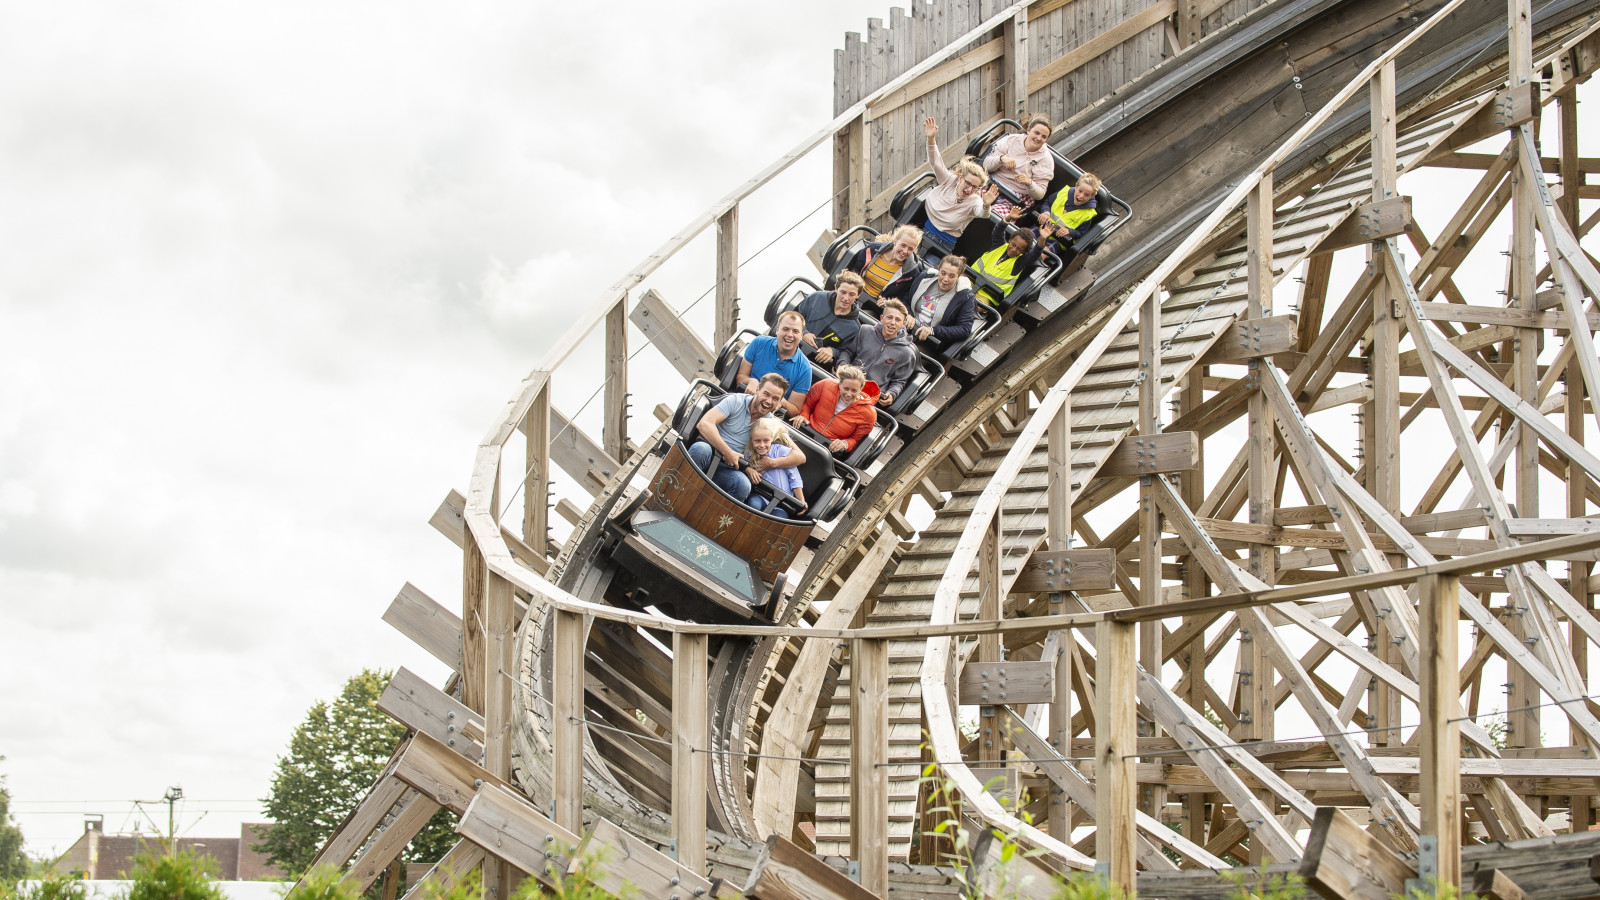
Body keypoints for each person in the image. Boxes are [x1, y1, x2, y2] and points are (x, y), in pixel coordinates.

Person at [688, 374, 803, 502]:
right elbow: (704, 424)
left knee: (743, 485)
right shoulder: (735, 401)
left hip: (729, 468)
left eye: (775, 398)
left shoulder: (770, 424)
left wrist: (771, 463)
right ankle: (679, 492)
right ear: (758, 390)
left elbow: (800, 456)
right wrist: (727, 452)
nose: (769, 401)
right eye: (766, 394)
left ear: (779, 403)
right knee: (701, 449)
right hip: (709, 452)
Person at [921, 116, 999, 250]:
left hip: (943, 244)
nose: (969, 189)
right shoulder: (949, 180)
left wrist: (986, 204)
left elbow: (982, 213)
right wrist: (931, 139)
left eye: (975, 187)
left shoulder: (974, 200)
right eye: (968, 183)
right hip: (924, 232)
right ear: (960, 178)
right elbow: (935, 162)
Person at [839, 299, 916, 409]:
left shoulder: (907, 353)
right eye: (889, 317)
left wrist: (892, 393)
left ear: (903, 324)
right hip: (847, 383)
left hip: (869, 397)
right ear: (882, 318)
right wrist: (843, 365)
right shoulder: (865, 330)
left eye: (897, 320)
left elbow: (899, 381)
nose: (892, 322)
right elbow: (847, 352)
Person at [736, 309, 812, 414]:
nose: (790, 335)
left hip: (769, 415)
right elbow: (740, 377)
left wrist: (781, 401)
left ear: (801, 335)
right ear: (777, 330)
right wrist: (751, 381)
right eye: (785, 329)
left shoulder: (805, 368)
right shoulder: (759, 342)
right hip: (744, 400)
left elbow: (795, 410)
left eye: (795, 331)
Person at [792, 365, 879, 456]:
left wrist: (845, 443)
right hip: (805, 432)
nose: (849, 394)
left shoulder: (869, 414)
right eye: (846, 389)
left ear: (861, 389)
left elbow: (855, 440)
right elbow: (807, 404)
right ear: (840, 384)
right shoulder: (826, 385)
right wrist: (803, 416)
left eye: (854, 391)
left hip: (827, 449)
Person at [972, 214, 1055, 307]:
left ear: (1023, 252)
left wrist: (1042, 239)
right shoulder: (998, 245)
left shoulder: (1019, 263)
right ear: (1010, 240)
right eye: (1013, 244)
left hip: (987, 296)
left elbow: (1035, 254)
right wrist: (1009, 217)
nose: (1014, 249)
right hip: (970, 281)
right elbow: (998, 230)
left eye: (1019, 249)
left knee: (971, 306)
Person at [983, 114, 1055, 218]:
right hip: (993, 183)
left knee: (994, 215)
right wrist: (1001, 159)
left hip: (1015, 196)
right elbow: (986, 165)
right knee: (972, 200)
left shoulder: (1045, 159)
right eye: (1036, 133)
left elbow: (1040, 194)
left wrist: (1029, 183)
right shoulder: (1011, 140)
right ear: (1029, 130)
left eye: (1044, 137)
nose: (1039, 138)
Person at [906, 255, 976, 356]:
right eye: (943, 273)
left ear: (958, 276)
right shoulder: (925, 277)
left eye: (952, 276)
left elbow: (964, 329)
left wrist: (933, 331)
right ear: (939, 270)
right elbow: (906, 296)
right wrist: (907, 313)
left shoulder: (964, 297)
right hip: (906, 327)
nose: (945, 279)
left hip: (929, 341)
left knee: (906, 354)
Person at [794, 272, 864, 370]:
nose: (846, 298)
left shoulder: (855, 328)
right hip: (792, 344)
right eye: (843, 292)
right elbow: (794, 315)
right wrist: (804, 332)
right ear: (836, 288)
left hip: (812, 364)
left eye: (852, 294)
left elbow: (846, 353)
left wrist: (832, 351)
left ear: (858, 295)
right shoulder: (817, 297)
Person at [842, 224, 924, 302]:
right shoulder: (872, 250)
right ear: (895, 242)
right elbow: (855, 271)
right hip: (854, 294)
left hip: (874, 305)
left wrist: (890, 301)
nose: (905, 251)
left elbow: (904, 298)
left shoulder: (911, 273)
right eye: (903, 245)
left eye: (910, 249)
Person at [745, 419, 806, 519]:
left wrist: (801, 500)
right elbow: (744, 465)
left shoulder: (781, 451)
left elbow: (794, 477)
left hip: (781, 504)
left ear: (772, 438)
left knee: (778, 519)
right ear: (751, 439)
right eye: (757, 441)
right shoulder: (749, 454)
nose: (761, 445)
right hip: (761, 496)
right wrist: (749, 470)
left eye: (766, 441)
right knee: (753, 505)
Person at [1038, 173, 1101, 248]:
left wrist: (1069, 231)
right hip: (1043, 228)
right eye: (1080, 191)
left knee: (1043, 253)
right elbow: (1047, 202)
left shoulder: (1088, 214)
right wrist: (1046, 213)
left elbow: (1081, 233)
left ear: (1092, 196)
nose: (1081, 196)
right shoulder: (1063, 193)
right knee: (1024, 238)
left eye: (1086, 195)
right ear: (1076, 186)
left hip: (1058, 240)